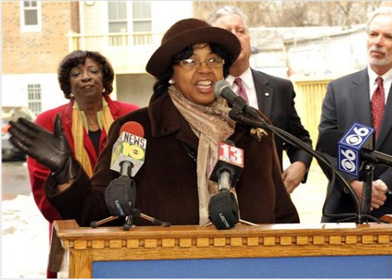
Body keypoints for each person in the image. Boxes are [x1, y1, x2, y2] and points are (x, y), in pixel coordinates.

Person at [9, 18, 299, 229]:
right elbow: (96, 212)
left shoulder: (253, 127)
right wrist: (66, 170)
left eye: (213, 59)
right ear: (170, 73)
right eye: (189, 61)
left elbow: (282, 213)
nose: (204, 69)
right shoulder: (138, 129)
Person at [317, 9, 392, 278]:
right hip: (345, 211)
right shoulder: (338, 89)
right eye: (373, 34)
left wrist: (382, 186)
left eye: (388, 37)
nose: (378, 42)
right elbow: (325, 148)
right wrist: (355, 186)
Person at [26, 50, 139, 278]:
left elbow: (145, 175)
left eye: (93, 71)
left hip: (125, 230)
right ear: (68, 83)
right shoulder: (48, 122)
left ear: (105, 79)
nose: (85, 77)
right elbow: (41, 186)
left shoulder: (132, 117)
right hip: (73, 232)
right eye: (76, 73)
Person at [207, 6, 313, 194]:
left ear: (249, 38)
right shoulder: (204, 91)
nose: (235, 37)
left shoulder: (280, 88)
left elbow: (299, 139)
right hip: (219, 199)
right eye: (226, 32)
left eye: (241, 31)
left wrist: (300, 165)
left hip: (271, 201)